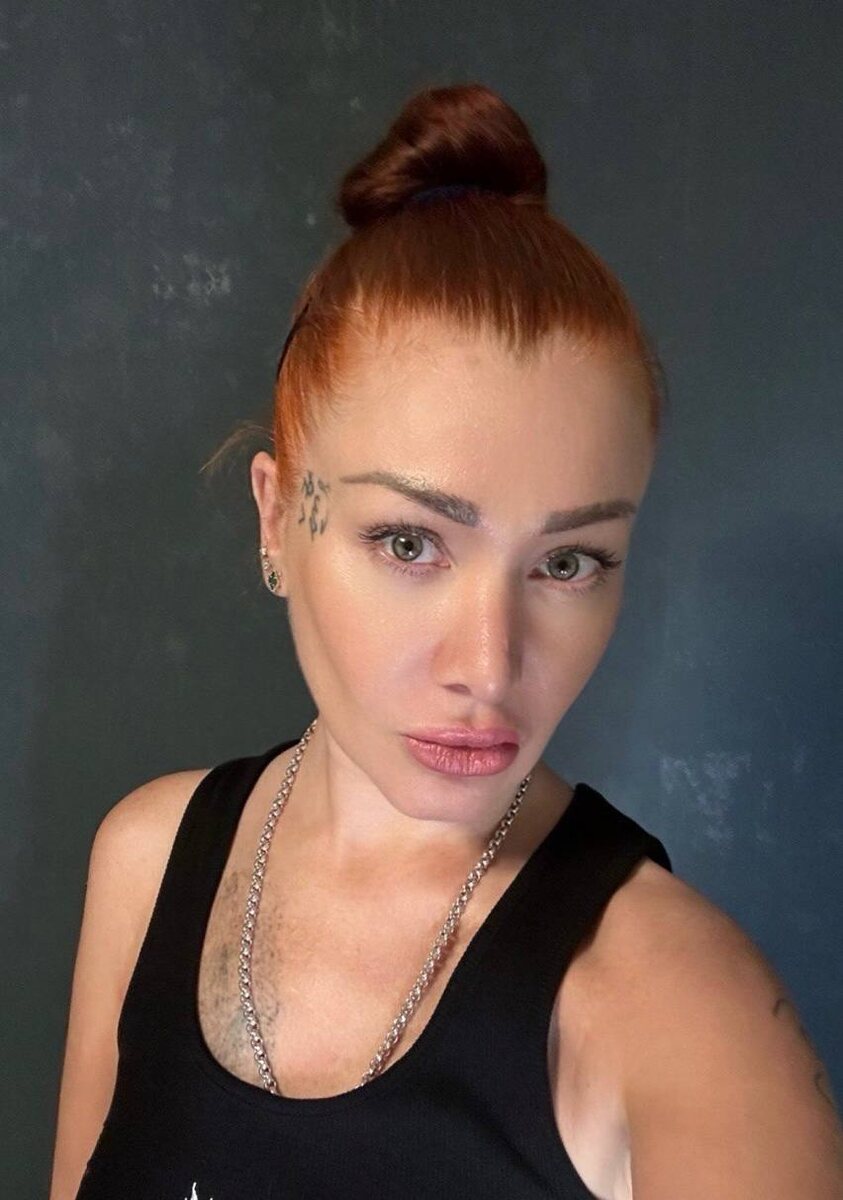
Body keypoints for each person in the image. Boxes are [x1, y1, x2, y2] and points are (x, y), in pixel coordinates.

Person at [50, 82, 843, 1200]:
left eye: (567, 562)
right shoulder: (145, 862)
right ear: (276, 519)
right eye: (410, 543)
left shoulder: (675, 1003)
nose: (488, 665)